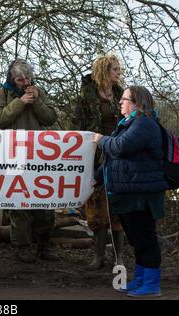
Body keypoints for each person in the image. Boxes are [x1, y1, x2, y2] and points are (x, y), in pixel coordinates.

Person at [93, 86, 168, 297]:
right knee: (137, 240)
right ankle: (141, 280)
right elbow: (114, 159)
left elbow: (120, 147)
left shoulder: (144, 123)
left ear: (137, 103)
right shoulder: (130, 123)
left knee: (145, 239)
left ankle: (152, 284)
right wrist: (97, 178)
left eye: (124, 99)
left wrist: (101, 140)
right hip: (130, 192)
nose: (120, 103)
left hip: (141, 194)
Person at [0, 59, 59, 263]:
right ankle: (22, 246)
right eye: (20, 79)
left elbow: (50, 118)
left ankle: (44, 245)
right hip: (13, 154)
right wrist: (20, 103)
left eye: (27, 78)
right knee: (19, 201)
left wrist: (36, 100)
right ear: (12, 78)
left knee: (43, 199)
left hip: (39, 154)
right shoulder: (2, 94)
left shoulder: (39, 92)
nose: (25, 82)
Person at [72, 53, 125, 269]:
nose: (118, 73)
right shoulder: (87, 95)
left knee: (118, 206)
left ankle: (120, 257)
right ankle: (99, 256)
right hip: (94, 156)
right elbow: (78, 124)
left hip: (118, 154)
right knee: (96, 206)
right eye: (115, 69)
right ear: (104, 70)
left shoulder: (121, 93)